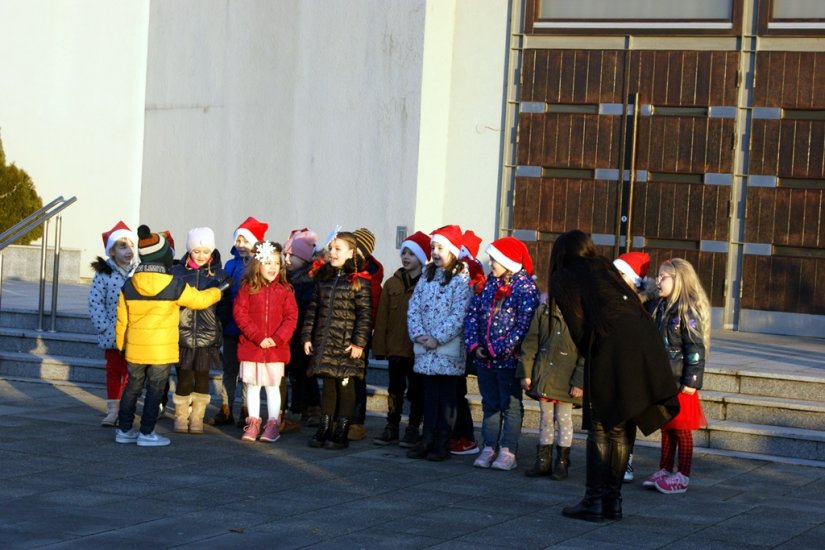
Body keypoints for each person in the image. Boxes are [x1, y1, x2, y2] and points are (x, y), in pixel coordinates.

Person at [549, 230, 679, 522]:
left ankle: (594, 501)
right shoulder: (604, 265)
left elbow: (579, 328)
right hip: (643, 341)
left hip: (611, 345)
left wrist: (592, 356)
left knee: (601, 426)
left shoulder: (564, 277)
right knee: (621, 423)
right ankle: (613, 501)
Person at [114, 226, 228, 447]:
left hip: (135, 349)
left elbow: (121, 321)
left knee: (132, 389)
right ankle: (146, 433)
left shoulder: (129, 284)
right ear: (163, 256)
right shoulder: (173, 284)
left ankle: (124, 430)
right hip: (161, 350)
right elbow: (200, 301)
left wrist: (122, 345)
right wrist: (219, 290)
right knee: (155, 390)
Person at [465, 237, 540, 470]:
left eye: (495, 259)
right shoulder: (489, 284)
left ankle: (508, 449)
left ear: (508, 261)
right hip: (485, 359)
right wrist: (474, 345)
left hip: (509, 360)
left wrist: (497, 348)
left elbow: (524, 326)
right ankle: (489, 445)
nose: (491, 263)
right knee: (490, 403)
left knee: (511, 405)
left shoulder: (524, 288)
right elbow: (473, 314)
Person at [406, 225, 473, 461]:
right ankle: (427, 438)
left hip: (446, 349)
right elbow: (413, 306)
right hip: (426, 348)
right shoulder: (426, 276)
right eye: (433, 247)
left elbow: (459, 314)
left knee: (447, 398)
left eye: (440, 248)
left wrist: (438, 338)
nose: (434, 252)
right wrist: (419, 334)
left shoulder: (461, 280)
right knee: (429, 396)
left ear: (453, 251)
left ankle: (443, 441)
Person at [645, 258, 710, 494]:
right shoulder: (660, 306)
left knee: (681, 428)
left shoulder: (686, 310)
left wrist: (692, 380)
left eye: (664, 277)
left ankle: (682, 474)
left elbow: (695, 347)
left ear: (678, 280)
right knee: (666, 425)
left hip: (680, 379)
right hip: (663, 377)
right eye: (658, 276)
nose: (658, 281)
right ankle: (664, 468)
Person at [302, 230, 372, 450]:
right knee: (329, 385)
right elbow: (313, 309)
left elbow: (365, 314)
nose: (332, 253)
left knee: (346, 386)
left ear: (351, 253)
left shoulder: (359, 280)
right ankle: (325, 427)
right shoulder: (324, 277)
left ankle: (341, 429)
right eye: (331, 248)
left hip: (346, 345)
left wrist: (359, 342)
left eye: (338, 249)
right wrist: (307, 336)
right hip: (326, 342)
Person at [233, 241, 299, 443]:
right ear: (258, 264)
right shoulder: (248, 287)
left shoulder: (285, 289)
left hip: (275, 349)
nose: (272, 267)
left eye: (277, 264)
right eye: (268, 262)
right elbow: (240, 314)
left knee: (272, 386)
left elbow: (291, 317)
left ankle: (272, 424)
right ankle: (253, 423)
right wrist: (258, 337)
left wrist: (277, 338)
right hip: (252, 346)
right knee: (253, 386)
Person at [208, 216, 268, 427]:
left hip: (251, 329)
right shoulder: (231, 264)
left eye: (245, 241)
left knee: (248, 372)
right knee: (230, 369)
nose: (240, 245)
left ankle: (246, 409)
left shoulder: (261, 265)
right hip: (232, 327)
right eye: (238, 241)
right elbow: (224, 294)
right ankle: (226, 408)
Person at [169, 227, 231, 434]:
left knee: (203, 377)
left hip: (207, 336)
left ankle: (197, 417)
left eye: (206, 251)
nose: (202, 255)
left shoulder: (219, 275)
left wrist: (217, 323)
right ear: (189, 250)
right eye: (197, 251)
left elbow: (225, 305)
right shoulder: (177, 271)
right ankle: (181, 415)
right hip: (183, 333)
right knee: (185, 376)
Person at [371, 230, 429, 446]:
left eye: (411, 254)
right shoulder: (391, 283)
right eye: (403, 253)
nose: (405, 257)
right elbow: (382, 318)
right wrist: (380, 347)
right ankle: (392, 425)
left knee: (416, 391)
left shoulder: (427, 284)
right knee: (395, 389)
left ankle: (413, 427)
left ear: (421, 258)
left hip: (417, 350)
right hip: (396, 348)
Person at [519, 293, 584, 480]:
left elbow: (586, 352)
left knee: (564, 420)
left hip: (567, 379)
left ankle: (562, 462)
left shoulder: (582, 316)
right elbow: (531, 342)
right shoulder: (544, 310)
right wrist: (527, 372)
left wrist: (579, 381)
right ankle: (543, 461)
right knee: (546, 418)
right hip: (545, 374)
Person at [88, 221, 140, 426]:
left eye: (131, 245)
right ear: (111, 250)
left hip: (133, 332)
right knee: (113, 371)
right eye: (122, 246)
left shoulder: (138, 271)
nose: (129, 250)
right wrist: (104, 328)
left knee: (131, 373)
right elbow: (95, 301)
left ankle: (127, 409)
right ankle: (113, 410)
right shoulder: (104, 273)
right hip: (112, 332)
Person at [612, 251, 657, 482]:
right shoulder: (611, 298)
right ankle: (612, 459)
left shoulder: (647, 305)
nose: (616, 277)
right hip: (613, 365)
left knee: (628, 417)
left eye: (621, 273)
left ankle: (626, 460)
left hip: (634, 367)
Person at [449, 229, 485, 456]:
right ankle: (454, 434)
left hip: (462, 344)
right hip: (450, 344)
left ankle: (465, 437)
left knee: (457, 393)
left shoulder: (472, 273)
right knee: (451, 393)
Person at [283, 228, 321, 429]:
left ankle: (311, 406)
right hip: (290, 333)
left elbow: (307, 309)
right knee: (296, 373)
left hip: (304, 333)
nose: (287, 259)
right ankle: (298, 407)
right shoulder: (288, 278)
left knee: (305, 372)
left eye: (292, 255)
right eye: (286, 255)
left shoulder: (308, 280)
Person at [348, 227, 384, 441]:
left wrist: (361, 338)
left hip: (360, 336)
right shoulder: (343, 272)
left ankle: (356, 421)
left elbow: (369, 313)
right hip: (340, 333)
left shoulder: (372, 279)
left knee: (357, 379)